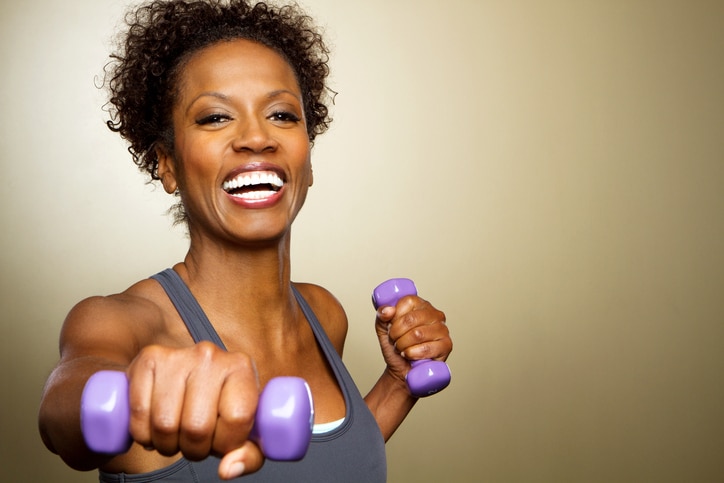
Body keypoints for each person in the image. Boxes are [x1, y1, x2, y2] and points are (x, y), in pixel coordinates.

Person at [38, 0, 453, 481]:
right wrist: (134, 395)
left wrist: (399, 385)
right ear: (166, 165)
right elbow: (61, 413)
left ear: (308, 161)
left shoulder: (323, 314)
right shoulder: (123, 323)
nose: (257, 138)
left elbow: (324, 466)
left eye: (281, 115)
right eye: (215, 117)